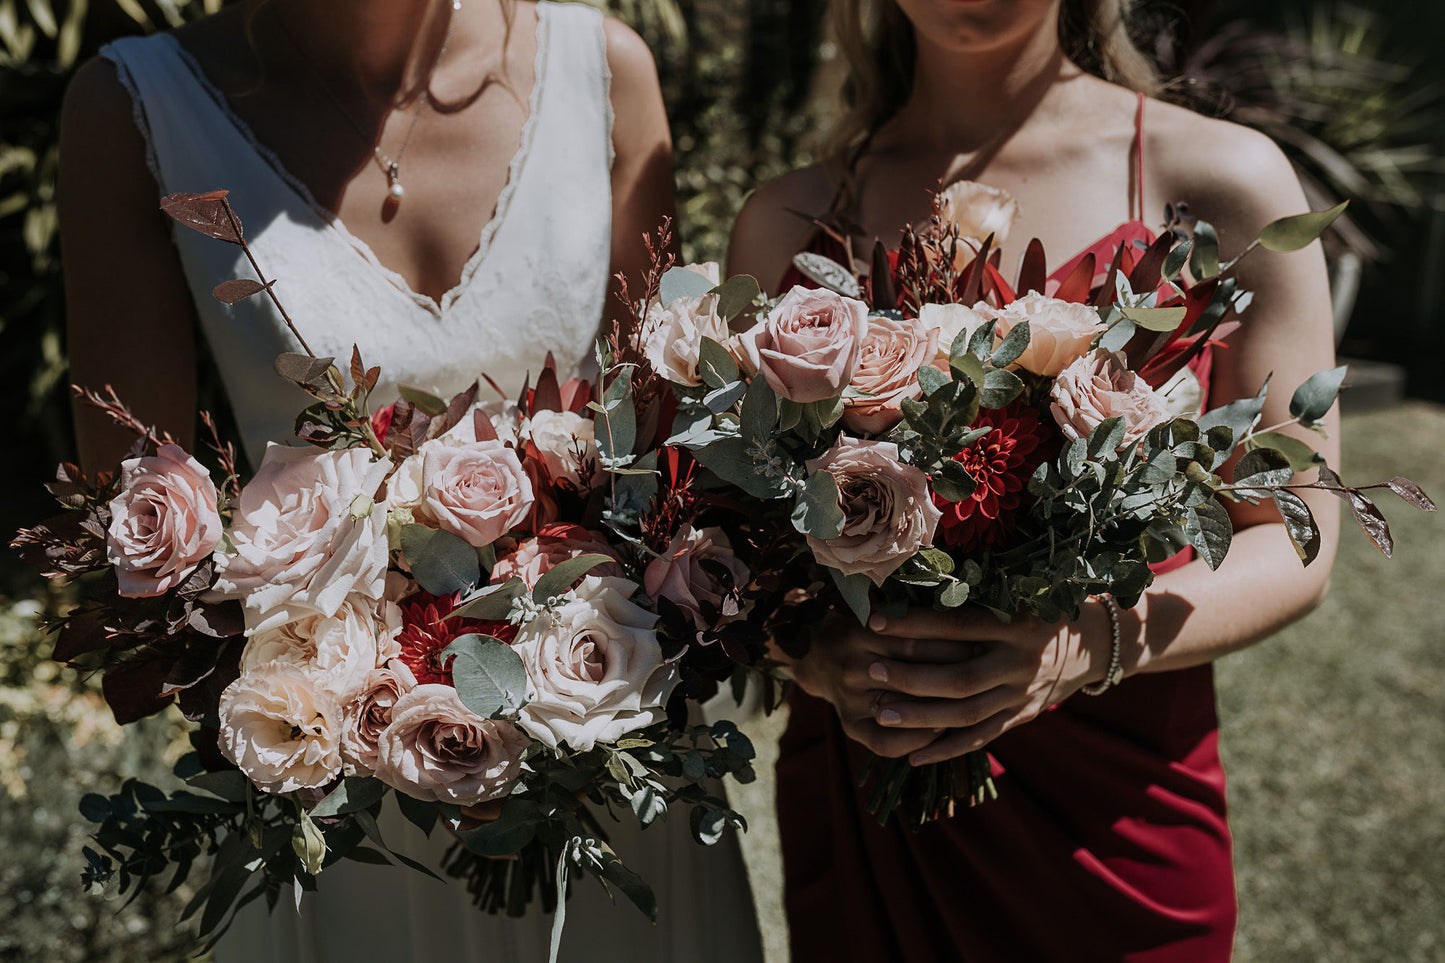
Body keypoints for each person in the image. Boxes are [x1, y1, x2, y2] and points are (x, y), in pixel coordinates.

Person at [58, 1, 762, 960]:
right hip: (348, 814)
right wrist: (356, 694)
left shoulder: (604, 71)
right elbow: (131, 552)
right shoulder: (134, 106)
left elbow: (669, 456)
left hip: (605, 765)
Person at [727, 0, 1338, 960]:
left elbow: (1292, 541)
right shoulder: (785, 221)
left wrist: (1075, 644)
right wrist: (811, 656)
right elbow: (731, 547)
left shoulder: (1220, 181)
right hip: (868, 804)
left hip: (1117, 810)